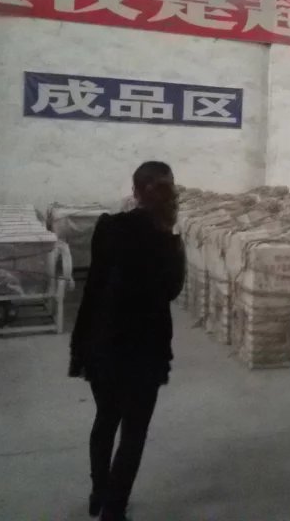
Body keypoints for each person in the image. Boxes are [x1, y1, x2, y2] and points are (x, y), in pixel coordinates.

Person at [69, 161, 186, 521]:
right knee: (134, 431)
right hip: (145, 347)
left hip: (102, 338)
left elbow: (94, 283)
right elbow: (171, 290)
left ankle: (98, 493)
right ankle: (114, 509)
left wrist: (81, 341)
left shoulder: (108, 228)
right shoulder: (167, 240)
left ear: (135, 192)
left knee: (106, 418)